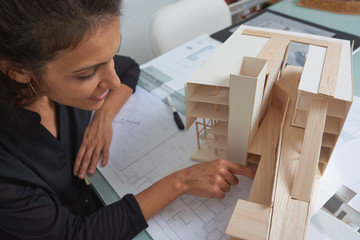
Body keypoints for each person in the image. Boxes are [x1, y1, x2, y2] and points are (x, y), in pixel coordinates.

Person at [0, 1, 255, 239]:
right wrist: (180, 182)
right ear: (20, 71)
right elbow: (74, 234)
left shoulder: (73, 64)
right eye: (87, 74)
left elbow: (129, 68)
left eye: (112, 55)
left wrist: (104, 115)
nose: (112, 81)